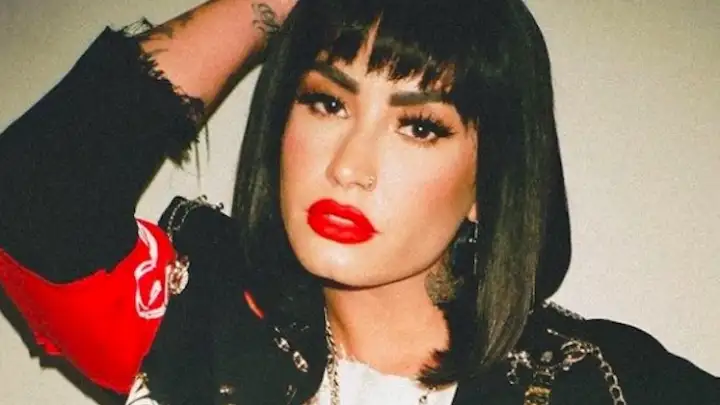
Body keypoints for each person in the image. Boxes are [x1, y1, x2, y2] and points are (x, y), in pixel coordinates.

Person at [0, 0, 717, 404]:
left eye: (420, 126)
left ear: (490, 182)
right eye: (327, 102)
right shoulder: (199, 323)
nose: (349, 166)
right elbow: (30, 197)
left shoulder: (603, 383)